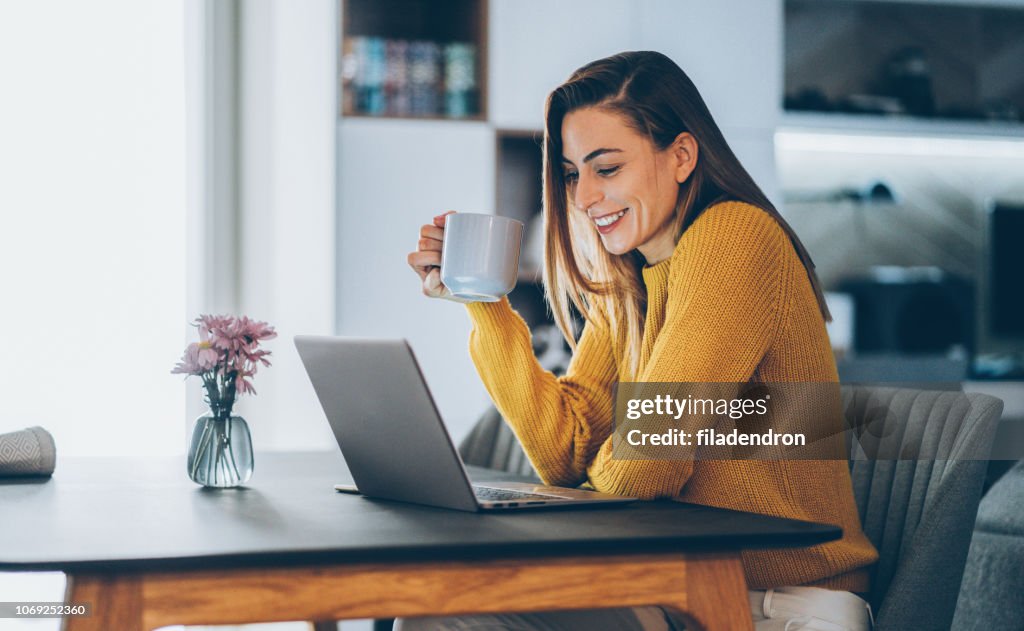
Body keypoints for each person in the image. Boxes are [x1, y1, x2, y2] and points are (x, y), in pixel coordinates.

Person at [403, 51, 878, 630]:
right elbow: (564, 453)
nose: (581, 198)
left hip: (779, 601)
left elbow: (646, 468)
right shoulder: (628, 279)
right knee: (435, 615)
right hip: (673, 581)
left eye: (606, 168)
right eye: (574, 173)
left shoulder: (735, 237)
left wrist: (617, 455)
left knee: (447, 620)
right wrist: (484, 304)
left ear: (680, 156)